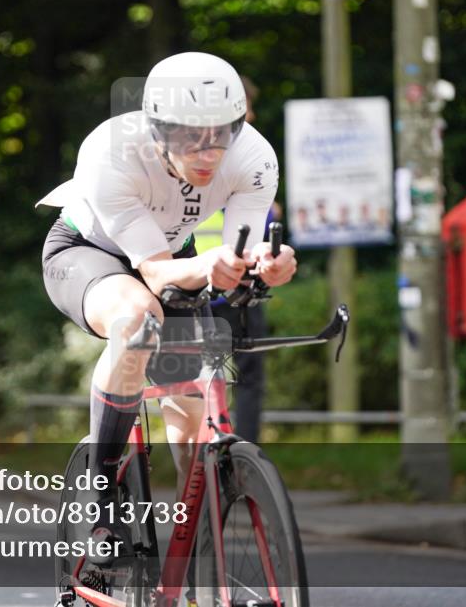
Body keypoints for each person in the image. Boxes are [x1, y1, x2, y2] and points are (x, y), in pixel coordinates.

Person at [37, 52, 297, 563]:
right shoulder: (110, 151)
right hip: (90, 252)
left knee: (194, 421)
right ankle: (101, 493)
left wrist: (268, 263)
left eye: (221, 134)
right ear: (158, 130)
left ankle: (193, 553)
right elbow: (152, 274)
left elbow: (241, 250)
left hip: (176, 258)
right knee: (137, 321)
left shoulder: (255, 156)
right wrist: (212, 266)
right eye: (189, 138)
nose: (207, 153)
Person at [192, 75, 274, 443]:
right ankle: (241, 456)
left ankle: (226, 457)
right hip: (214, 286)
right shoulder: (226, 160)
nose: (252, 115)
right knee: (245, 377)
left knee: (209, 377)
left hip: (210, 286)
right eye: (246, 107)